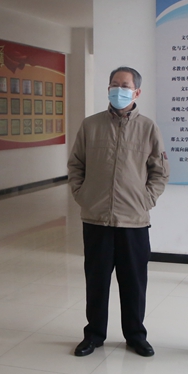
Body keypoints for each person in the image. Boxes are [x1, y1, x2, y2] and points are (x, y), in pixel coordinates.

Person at [69, 66, 169, 358]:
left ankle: (136, 336)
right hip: (96, 218)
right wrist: (83, 196)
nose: (119, 90)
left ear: (137, 92)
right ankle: (94, 335)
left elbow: (160, 172)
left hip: (133, 221)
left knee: (134, 284)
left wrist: (145, 200)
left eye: (125, 85)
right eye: (114, 84)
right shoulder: (91, 125)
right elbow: (76, 165)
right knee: (96, 282)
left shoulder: (148, 128)